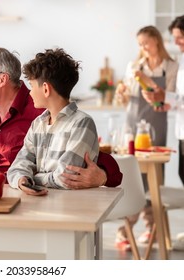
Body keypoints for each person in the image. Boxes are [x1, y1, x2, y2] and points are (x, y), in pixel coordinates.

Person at [0, 46, 122, 188]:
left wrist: (104, 176)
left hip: (35, 197)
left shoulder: (42, 110)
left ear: (2, 79)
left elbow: (83, 163)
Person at [114, 25, 178, 249]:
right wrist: (121, 91)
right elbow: (124, 99)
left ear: (157, 42)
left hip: (155, 127)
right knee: (131, 177)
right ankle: (124, 230)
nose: (142, 47)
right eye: (140, 44)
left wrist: (147, 82)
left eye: (146, 43)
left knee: (153, 180)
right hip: (133, 126)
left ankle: (151, 227)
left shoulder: (171, 67)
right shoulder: (134, 66)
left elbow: (164, 101)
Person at [6, 48, 99, 195]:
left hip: (72, 206)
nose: (30, 92)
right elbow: (17, 167)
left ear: (45, 89)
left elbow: (66, 178)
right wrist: (22, 179)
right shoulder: (38, 124)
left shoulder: (82, 123)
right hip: (39, 204)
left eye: (31, 85)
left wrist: (33, 179)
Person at [143, 15, 184, 251]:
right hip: (181, 131)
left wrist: (165, 98)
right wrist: (165, 102)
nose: (176, 42)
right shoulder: (182, 61)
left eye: (179, 37)